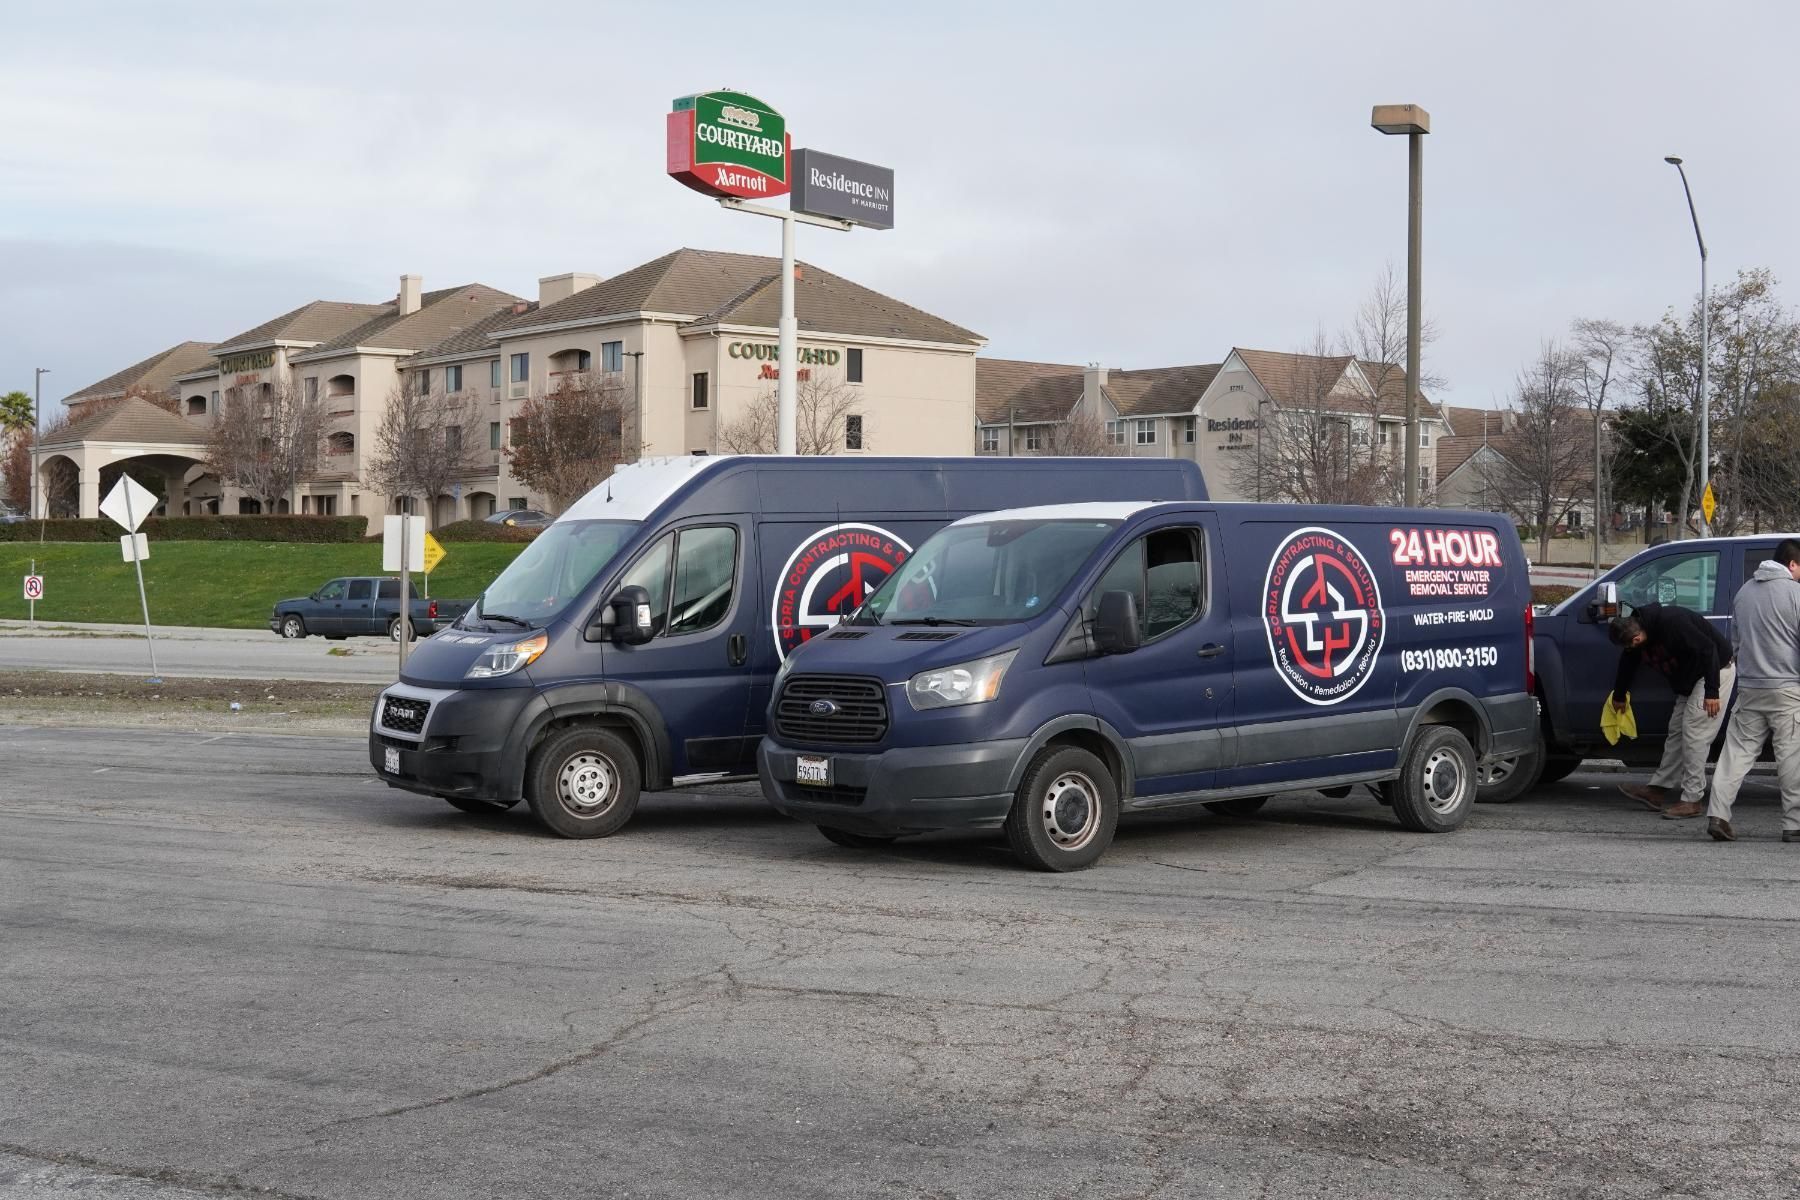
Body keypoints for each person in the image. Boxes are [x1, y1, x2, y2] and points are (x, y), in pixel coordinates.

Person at [1701, 540, 1800, 842]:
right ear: (1792, 564)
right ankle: (1794, 825)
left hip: (1750, 687)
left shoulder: (1744, 593)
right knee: (1791, 757)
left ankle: (1718, 814)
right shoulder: (1796, 594)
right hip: (1787, 689)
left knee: (1736, 754)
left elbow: (1736, 643)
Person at [1610, 603, 1736, 819]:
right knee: (1676, 733)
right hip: (1689, 680)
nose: (1630, 650)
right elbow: (1628, 661)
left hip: (1713, 672)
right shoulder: (1638, 631)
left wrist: (1712, 692)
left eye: (1630, 646)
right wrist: (1619, 694)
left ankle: (1692, 800)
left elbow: (1708, 650)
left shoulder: (1673, 623)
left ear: (1637, 638)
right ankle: (1657, 790)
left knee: (1695, 735)